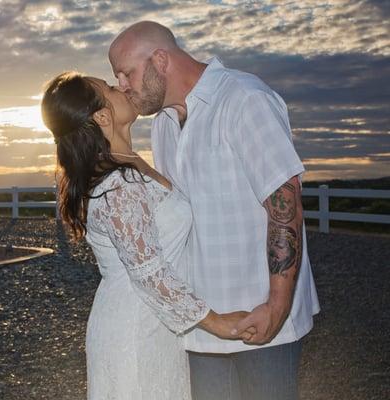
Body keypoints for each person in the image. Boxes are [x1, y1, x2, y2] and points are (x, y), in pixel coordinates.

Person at [109, 21, 320, 400]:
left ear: (160, 60)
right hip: (204, 330)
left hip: (263, 325)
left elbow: (285, 205)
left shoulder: (243, 98)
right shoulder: (163, 126)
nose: (123, 86)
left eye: (128, 73)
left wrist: (277, 304)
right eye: (118, 77)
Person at [41, 72, 252, 399]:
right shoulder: (118, 184)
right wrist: (220, 324)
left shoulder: (128, 165)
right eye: (110, 88)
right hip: (136, 329)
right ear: (102, 116)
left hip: (149, 323)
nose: (122, 86)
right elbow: (148, 271)